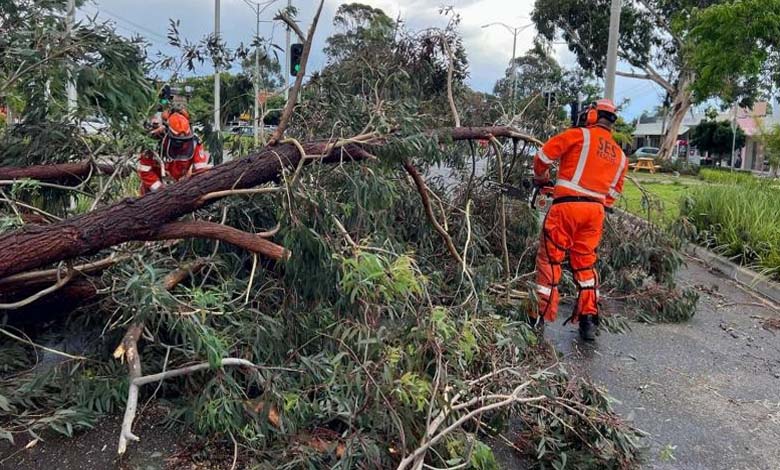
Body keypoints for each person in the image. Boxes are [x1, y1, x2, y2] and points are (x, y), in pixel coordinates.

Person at [529, 98, 628, 341]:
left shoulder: (578, 136)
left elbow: (542, 158)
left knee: (551, 260)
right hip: (595, 213)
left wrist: (542, 180)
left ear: (592, 116)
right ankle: (588, 321)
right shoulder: (620, 156)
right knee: (585, 265)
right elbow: (614, 193)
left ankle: (538, 318)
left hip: (566, 209)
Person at [137, 106, 211, 194]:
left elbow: (201, 170)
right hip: (151, 192)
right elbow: (144, 171)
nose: (182, 145)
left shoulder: (195, 143)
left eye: (184, 141)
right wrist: (159, 190)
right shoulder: (154, 143)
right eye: (178, 141)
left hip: (178, 188)